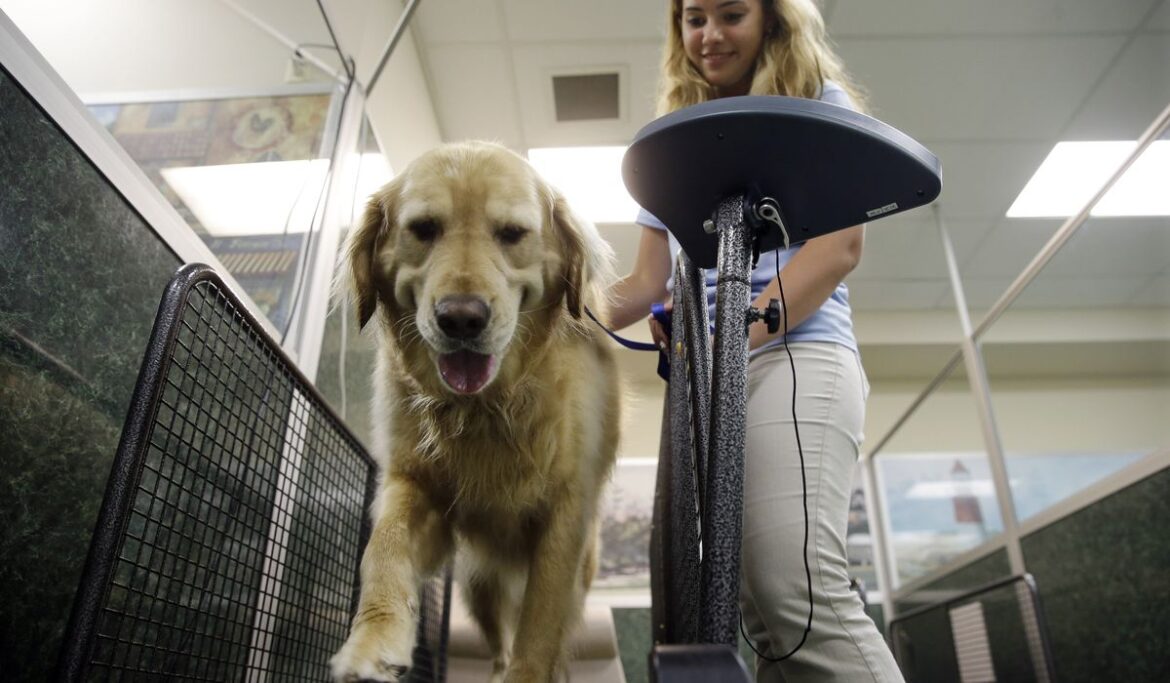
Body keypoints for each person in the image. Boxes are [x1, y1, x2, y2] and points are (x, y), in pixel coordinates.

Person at [607, 0, 905, 680]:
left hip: (798, 353)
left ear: (771, 19)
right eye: (694, 19)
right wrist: (543, 311)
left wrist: (734, 331)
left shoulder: (813, 104)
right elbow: (646, 282)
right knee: (760, 616)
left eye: (731, 14)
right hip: (713, 381)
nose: (709, 35)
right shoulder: (675, 139)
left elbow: (838, 248)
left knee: (794, 589)